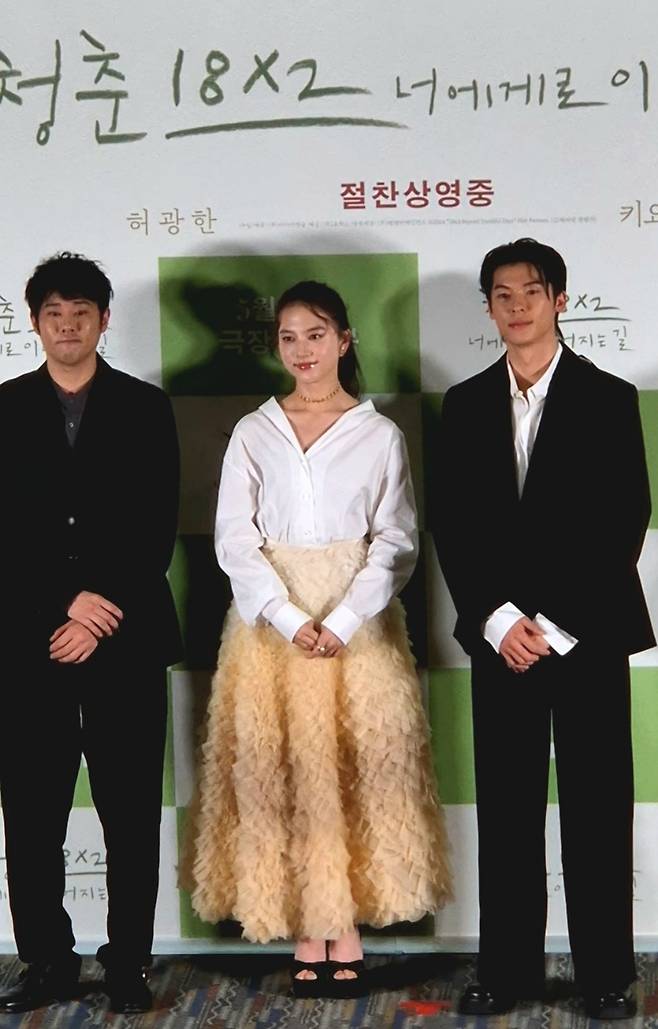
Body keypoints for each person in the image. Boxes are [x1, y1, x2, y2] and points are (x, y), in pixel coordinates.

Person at [183, 280, 451, 998]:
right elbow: (234, 537)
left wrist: (343, 619)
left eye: (316, 334)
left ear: (344, 340)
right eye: (289, 337)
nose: (302, 350)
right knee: (283, 773)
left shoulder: (378, 433)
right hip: (270, 628)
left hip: (357, 623)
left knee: (357, 768)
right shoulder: (254, 430)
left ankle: (348, 927)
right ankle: (306, 923)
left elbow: (396, 538)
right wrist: (283, 613)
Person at [435, 238, 654, 1020]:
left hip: (585, 636)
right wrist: (498, 619)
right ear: (489, 307)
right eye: (502, 294)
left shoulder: (609, 397)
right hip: (502, 641)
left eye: (531, 291)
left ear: (560, 299)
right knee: (507, 808)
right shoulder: (463, 404)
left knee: (598, 806)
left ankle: (605, 974)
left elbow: (624, 519)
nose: (517, 305)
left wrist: (555, 623)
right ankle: (507, 971)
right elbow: (453, 523)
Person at [0, 253, 182, 1015]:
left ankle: (128, 961)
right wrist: (64, 603)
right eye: (54, 314)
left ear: (104, 320)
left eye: (81, 313)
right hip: (29, 641)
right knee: (32, 814)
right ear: (34, 323)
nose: (67, 325)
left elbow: (157, 521)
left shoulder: (145, 406)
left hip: (125, 636)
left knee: (130, 812)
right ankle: (46, 958)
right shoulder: (5, 407)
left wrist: (101, 602)